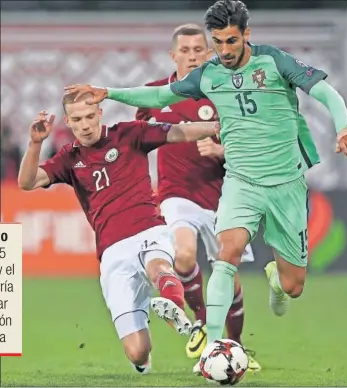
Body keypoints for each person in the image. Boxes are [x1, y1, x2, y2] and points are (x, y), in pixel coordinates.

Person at [63, 0, 347, 375]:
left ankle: (277, 282)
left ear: (246, 35)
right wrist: (108, 91)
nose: (224, 50)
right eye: (217, 42)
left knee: (294, 284)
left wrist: (344, 126)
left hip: (285, 183)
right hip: (240, 182)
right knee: (227, 253)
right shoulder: (209, 74)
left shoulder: (275, 61)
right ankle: (213, 348)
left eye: (231, 41)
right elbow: (158, 97)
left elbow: (325, 92)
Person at [17, 92, 219, 375]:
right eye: (77, 119)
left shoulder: (129, 134)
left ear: (100, 114)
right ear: (68, 122)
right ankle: (144, 343)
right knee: (137, 352)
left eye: (90, 116)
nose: (85, 124)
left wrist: (216, 126)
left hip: (149, 228)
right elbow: (26, 182)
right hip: (113, 252)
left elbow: (179, 132)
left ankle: (172, 304)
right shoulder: (69, 158)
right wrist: (35, 143)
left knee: (158, 265)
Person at [135, 23, 260, 372]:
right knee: (184, 254)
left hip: (225, 200)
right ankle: (204, 322)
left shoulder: (226, 94)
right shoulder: (155, 94)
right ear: (173, 55)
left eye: (198, 50)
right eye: (185, 51)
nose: (191, 56)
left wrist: (221, 151)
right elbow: (135, 141)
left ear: (209, 54)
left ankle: (235, 348)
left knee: (229, 278)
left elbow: (252, 151)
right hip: (177, 195)